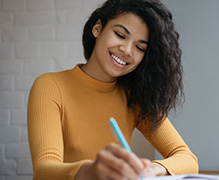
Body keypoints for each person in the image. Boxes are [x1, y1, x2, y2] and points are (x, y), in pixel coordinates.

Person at [27, 0, 198, 179]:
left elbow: (188, 159)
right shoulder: (51, 86)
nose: (127, 50)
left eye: (139, 47)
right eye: (120, 35)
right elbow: (43, 171)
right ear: (97, 29)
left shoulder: (134, 97)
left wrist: (151, 169)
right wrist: (90, 170)